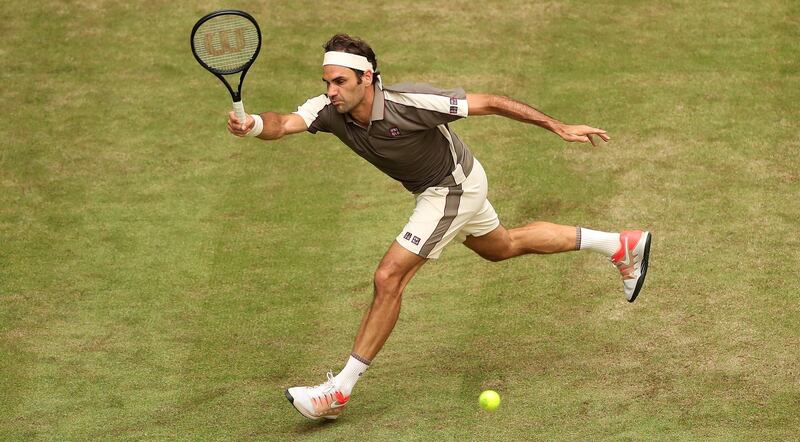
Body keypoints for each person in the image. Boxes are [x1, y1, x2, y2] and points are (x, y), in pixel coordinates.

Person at [226, 34, 651, 421]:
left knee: (389, 276)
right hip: (447, 187)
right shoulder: (328, 110)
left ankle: (339, 390)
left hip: (451, 189)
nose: (330, 91)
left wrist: (557, 125)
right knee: (500, 246)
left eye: (339, 81)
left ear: (366, 77)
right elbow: (282, 123)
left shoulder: (409, 102)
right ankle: (620, 244)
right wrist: (254, 125)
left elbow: (492, 102)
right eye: (327, 82)